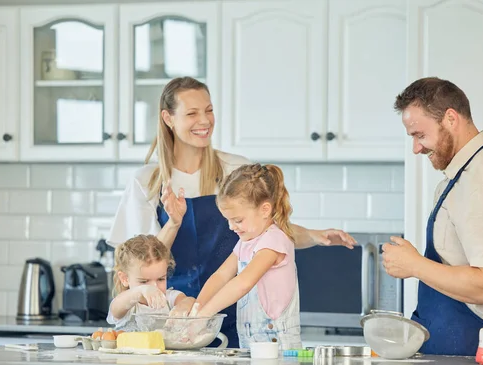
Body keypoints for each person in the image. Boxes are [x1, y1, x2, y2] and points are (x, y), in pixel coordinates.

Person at [108, 76, 357, 348]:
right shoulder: (146, 181)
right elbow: (138, 262)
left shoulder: (234, 169)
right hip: (176, 318)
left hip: (240, 316)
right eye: (192, 113)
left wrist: (315, 236)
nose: (204, 121)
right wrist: (174, 223)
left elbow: (267, 230)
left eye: (209, 110)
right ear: (168, 118)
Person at [382, 77, 483, 356]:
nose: (416, 148)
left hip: (473, 349)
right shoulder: (472, 171)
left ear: (451, 119)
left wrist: (415, 265)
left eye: (420, 135)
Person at [191, 163, 301, 350]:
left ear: (265, 210)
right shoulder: (245, 242)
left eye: (237, 220)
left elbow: (243, 283)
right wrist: (196, 309)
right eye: (228, 220)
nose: (231, 227)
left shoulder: (273, 241)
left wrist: (205, 315)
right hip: (252, 346)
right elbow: (221, 276)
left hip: (277, 346)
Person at [106, 234, 196, 332]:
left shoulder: (169, 298)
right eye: (144, 281)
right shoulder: (126, 304)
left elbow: (189, 301)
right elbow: (116, 308)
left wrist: (182, 307)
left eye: (161, 279)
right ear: (125, 279)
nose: (154, 286)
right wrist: (139, 292)